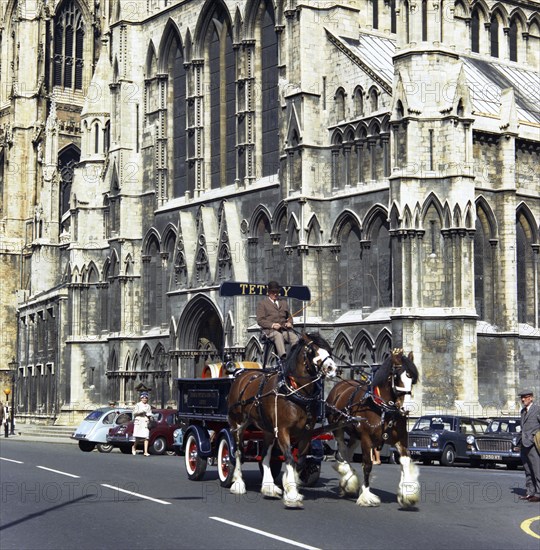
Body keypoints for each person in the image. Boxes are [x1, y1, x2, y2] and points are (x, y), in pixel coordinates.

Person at [256, 280, 298, 359]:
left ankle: (294, 357)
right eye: (273, 292)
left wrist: (290, 323)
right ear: (268, 292)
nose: (275, 294)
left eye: (277, 292)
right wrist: (272, 325)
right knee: (278, 335)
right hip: (269, 332)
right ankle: (283, 357)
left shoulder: (284, 303)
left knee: (294, 337)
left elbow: (289, 317)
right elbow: (260, 320)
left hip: (283, 330)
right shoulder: (262, 304)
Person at [518, 389, 540, 502]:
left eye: (525, 397)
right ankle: (530, 492)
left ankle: (538, 493)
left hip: (533, 445)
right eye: (521, 397)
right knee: (527, 470)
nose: (522, 399)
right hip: (523, 444)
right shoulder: (523, 411)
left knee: (537, 469)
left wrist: (533, 437)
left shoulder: (537, 410)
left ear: (531, 398)